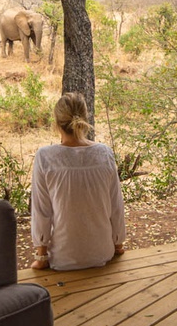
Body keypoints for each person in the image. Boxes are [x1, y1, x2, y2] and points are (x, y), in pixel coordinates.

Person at [30, 92, 126, 270]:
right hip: (102, 253)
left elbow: (41, 210)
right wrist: (118, 244)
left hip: (62, 258)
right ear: (84, 119)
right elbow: (116, 204)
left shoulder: (45, 157)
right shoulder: (104, 153)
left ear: (57, 124)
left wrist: (41, 257)